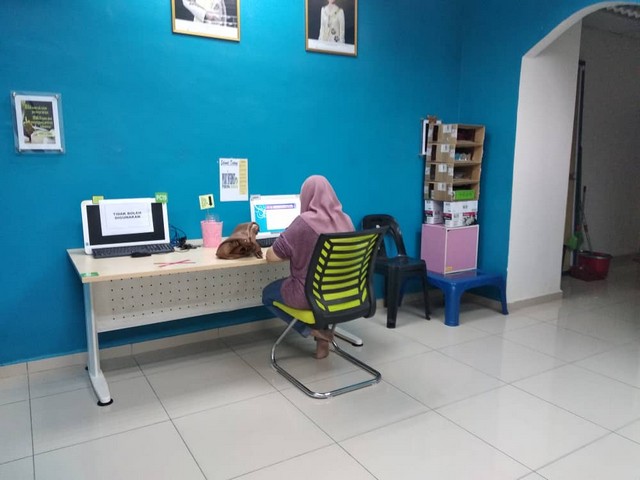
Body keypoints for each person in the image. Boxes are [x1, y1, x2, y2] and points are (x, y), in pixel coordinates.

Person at [262, 175, 354, 359]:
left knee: (267, 294)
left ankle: (309, 330)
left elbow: (271, 256)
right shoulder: (346, 220)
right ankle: (322, 346)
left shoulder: (304, 222)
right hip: (342, 292)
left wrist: (286, 237)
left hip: (308, 295)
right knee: (321, 287)